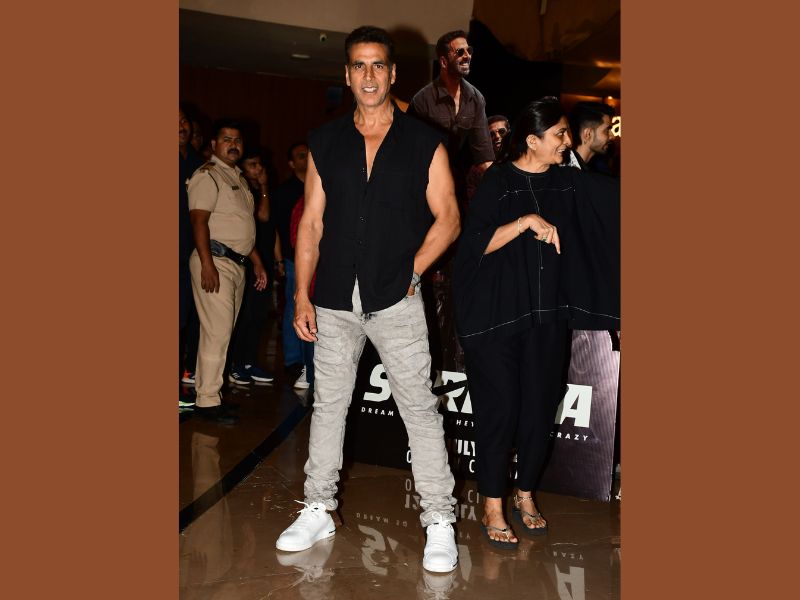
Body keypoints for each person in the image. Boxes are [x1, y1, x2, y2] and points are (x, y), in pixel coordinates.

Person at [275, 26, 461, 574]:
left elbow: (449, 219)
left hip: (396, 299)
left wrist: (412, 272)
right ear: (347, 73)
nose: (369, 76)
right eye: (359, 65)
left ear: (393, 73)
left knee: (418, 409)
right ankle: (318, 507)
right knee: (329, 405)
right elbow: (311, 224)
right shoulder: (325, 142)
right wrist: (301, 295)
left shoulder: (424, 142)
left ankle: (439, 518)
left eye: (378, 65)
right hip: (333, 297)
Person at [452, 97, 619, 548]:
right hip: (497, 316)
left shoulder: (569, 182)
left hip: (546, 317)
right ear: (532, 140)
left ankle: (524, 493)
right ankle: (492, 503)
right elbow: (473, 247)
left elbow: (616, 207)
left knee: (540, 408)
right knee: (500, 410)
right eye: (559, 134)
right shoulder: (499, 181)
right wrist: (525, 221)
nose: (567, 141)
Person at [187, 119, 268, 424]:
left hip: (236, 263)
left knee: (222, 334)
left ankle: (211, 395)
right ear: (213, 144)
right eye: (226, 139)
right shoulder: (207, 175)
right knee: (217, 333)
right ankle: (207, 402)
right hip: (216, 260)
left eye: (237, 140)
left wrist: (257, 261)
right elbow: (198, 221)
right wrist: (207, 263)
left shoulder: (237, 178)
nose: (233, 145)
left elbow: (241, 228)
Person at [226, 145, 276, 385]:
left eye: (260, 164)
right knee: (244, 314)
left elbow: (271, 227)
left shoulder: (260, 191)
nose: (259, 169)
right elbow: (262, 216)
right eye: (252, 165)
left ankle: (248, 361)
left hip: (265, 259)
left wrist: (278, 260)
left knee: (258, 315)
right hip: (248, 260)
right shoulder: (243, 191)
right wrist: (264, 188)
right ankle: (235, 364)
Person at [270, 142, 310, 387]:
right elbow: (275, 228)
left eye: (308, 154)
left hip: (317, 259)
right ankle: (294, 359)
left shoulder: (321, 185)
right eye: (301, 155)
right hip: (291, 257)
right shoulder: (284, 192)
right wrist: (278, 260)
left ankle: (309, 361)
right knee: (293, 307)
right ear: (291, 163)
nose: (306, 158)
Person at [179, 106, 204, 404]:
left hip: (192, 255)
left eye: (184, 120)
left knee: (186, 320)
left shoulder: (199, 164)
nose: (181, 126)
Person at [567, 101, 616, 173]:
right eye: (606, 130)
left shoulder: (589, 169)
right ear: (588, 134)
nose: (612, 136)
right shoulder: (565, 172)